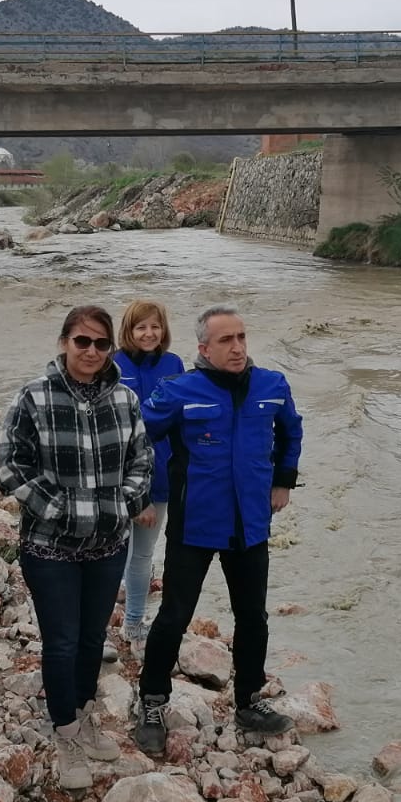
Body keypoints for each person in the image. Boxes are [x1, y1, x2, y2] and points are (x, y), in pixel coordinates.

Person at [133, 303, 303, 756]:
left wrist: (284, 479)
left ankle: (248, 700)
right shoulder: (178, 391)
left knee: (253, 618)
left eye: (242, 337)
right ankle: (151, 701)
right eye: (226, 340)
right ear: (204, 348)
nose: (238, 347)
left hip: (250, 524)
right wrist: (138, 493)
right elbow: (136, 438)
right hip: (195, 523)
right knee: (174, 615)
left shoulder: (272, 385)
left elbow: (291, 430)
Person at [0, 306, 152, 790]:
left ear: (111, 350)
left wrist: (119, 506)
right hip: (49, 549)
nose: (91, 352)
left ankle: (85, 714)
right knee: (61, 643)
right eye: (82, 341)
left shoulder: (126, 400)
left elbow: (142, 463)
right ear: (64, 341)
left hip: (108, 547)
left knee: (90, 641)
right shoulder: (34, 397)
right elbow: (11, 469)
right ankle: (64, 732)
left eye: (101, 344)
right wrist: (66, 511)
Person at [111, 299, 185, 654]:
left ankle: (133, 622)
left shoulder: (174, 364)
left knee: (141, 554)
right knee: (108, 551)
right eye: (141, 327)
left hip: (161, 473)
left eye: (155, 326)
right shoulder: (113, 363)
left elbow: (184, 419)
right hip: (116, 476)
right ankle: (110, 625)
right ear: (129, 330)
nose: (149, 333)